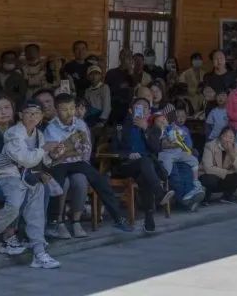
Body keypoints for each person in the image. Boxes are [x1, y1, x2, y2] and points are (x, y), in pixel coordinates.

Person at [0, 98, 61, 268]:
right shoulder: (5, 132)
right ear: (21, 115)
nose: (32, 117)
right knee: (15, 204)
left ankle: (39, 251)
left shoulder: (37, 134)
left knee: (38, 202)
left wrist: (53, 155)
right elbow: (12, 160)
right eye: (28, 113)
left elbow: (40, 159)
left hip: (26, 176)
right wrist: (39, 152)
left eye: (37, 113)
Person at [45, 93, 133, 236]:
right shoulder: (51, 128)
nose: (69, 113)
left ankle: (117, 218)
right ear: (56, 110)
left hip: (78, 162)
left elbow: (85, 149)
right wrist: (72, 146)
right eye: (64, 109)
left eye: (72, 108)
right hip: (58, 164)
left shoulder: (80, 123)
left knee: (100, 180)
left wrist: (69, 147)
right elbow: (56, 154)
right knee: (58, 184)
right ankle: (54, 222)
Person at [110, 97, 175, 233]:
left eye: (145, 107)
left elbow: (156, 149)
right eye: (138, 107)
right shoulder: (120, 127)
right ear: (130, 110)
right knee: (145, 164)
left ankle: (149, 218)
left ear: (149, 111)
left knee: (145, 170)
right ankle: (159, 194)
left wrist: (145, 129)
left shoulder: (153, 129)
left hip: (146, 167)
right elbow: (114, 149)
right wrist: (128, 154)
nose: (142, 110)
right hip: (127, 165)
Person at [153, 109, 204, 203]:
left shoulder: (175, 128)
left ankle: (196, 183)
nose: (162, 122)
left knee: (193, 160)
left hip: (179, 153)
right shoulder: (157, 131)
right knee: (168, 167)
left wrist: (178, 135)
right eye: (159, 121)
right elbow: (161, 144)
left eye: (163, 120)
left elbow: (185, 140)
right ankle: (163, 186)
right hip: (167, 155)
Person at [200, 126, 237, 203]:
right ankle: (206, 195)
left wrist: (232, 154)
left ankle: (227, 196)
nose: (227, 140)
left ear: (234, 139)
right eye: (225, 136)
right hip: (210, 176)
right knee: (210, 179)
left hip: (223, 178)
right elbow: (208, 168)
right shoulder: (210, 146)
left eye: (231, 138)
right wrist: (225, 172)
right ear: (221, 136)